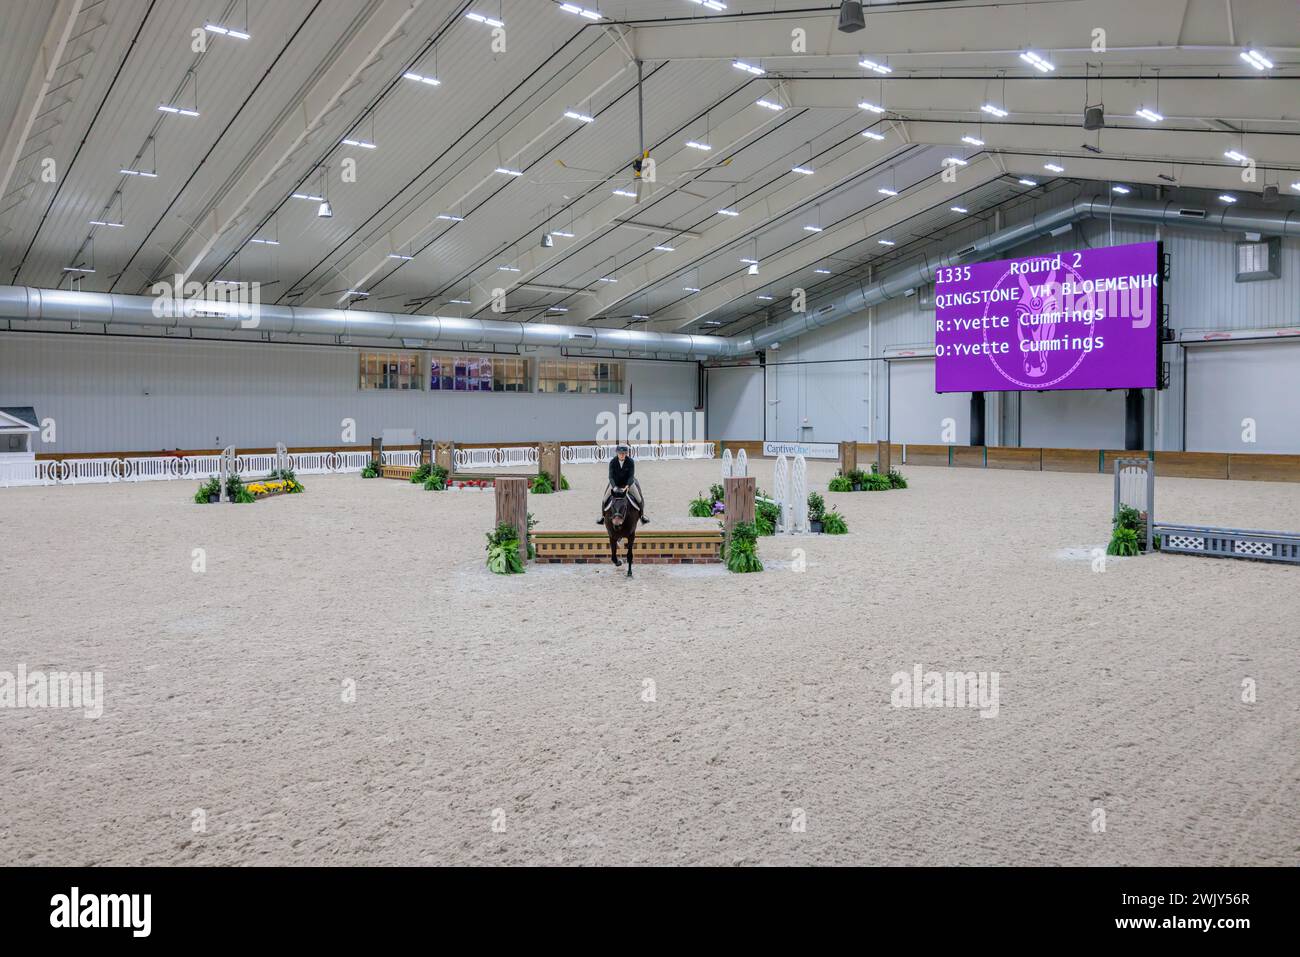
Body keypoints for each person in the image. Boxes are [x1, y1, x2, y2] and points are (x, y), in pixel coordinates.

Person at [598, 445, 649, 525]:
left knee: (639, 499)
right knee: (604, 499)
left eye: (624, 453)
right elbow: (610, 477)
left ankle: (642, 516)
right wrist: (614, 487)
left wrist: (627, 486)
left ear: (626, 454)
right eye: (620, 453)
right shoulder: (612, 462)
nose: (622, 455)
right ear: (617, 453)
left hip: (628, 484)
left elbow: (631, 476)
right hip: (615, 484)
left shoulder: (630, 461)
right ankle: (602, 517)